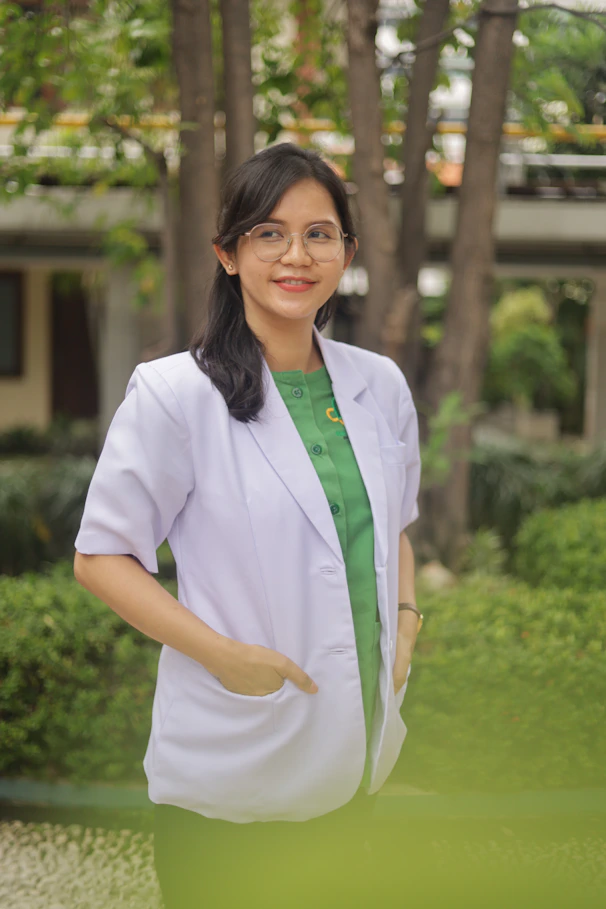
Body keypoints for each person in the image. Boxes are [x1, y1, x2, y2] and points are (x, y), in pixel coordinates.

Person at [73, 142, 423, 909]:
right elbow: (101, 557)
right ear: (228, 254)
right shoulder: (174, 396)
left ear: (346, 252)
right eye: (268, 233)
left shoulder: (379, 385)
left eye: (319, 233)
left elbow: (395, 523)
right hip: (232, 780)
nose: (296, 254)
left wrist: (406, 623)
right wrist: (224, 656)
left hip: (356, 764)